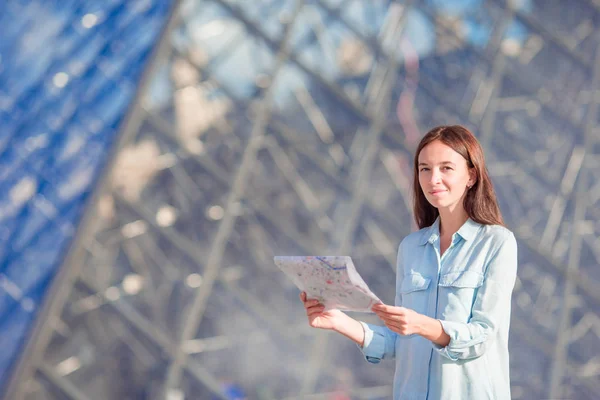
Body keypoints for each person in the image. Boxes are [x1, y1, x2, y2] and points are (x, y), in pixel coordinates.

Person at [300, 125, 518, 399]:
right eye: (424, 169)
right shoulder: (411, 248)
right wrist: (338, 321)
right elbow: (402, 343)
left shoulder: (497, 243)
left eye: (446, 168)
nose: (433, 178)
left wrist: (422, 325)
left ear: (471, 175)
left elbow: (483, 336)